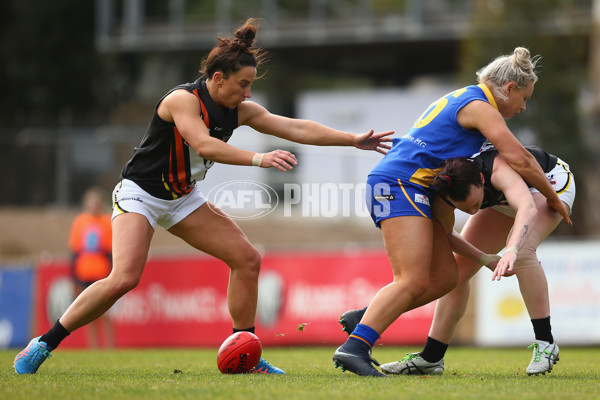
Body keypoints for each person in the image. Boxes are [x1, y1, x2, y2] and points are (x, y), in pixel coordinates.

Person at [13, 18, 394, 375]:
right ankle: (44, 344)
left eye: (251, 85)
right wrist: (259, 158)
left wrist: (352, 139)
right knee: (125, 278)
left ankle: (245, 354)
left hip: (183, 198)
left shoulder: (238, 109)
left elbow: (295, 127)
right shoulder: (182, 100)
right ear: (217, 78)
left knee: (247, 260)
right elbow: (204, 145)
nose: (248, 93)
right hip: (140, 195)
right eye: (243, 84)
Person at [332, 47, 572, 377]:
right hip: (400, 183)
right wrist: (552, 198)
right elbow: (521, 159)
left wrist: (491, 256)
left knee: (448, 277)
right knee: (413, 278)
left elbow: (452, 232)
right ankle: (357, 345)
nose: (523, 106)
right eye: (524, 98)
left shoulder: (462, 109)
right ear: (509, 88)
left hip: (413, 184)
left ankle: (378, 324)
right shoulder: (480, 106)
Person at [375, 145, 574, 376]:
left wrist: (511, 250)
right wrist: (484, 258)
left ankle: (545, 343)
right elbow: (448, 235)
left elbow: (527, 209)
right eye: (465, 208)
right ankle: (431, 357)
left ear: (481, 179)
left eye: (475, 205)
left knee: (522, 249)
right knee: (456, 273)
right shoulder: (448, 186)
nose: (472, 212)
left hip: (549, 185)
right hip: (503, 200)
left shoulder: (498, 170)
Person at [69, 187, 114, 349]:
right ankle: (93, 347)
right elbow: (75, 251)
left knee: (105, 312)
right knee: (88, 313)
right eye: (91, 201)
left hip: (101, 272)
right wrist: (74, 277)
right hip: (84, 272)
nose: (94, 204)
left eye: (97, 201)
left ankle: (109, 346)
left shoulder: (107, 221)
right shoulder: (80, 222)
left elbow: (110, 251)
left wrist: (112, 272)